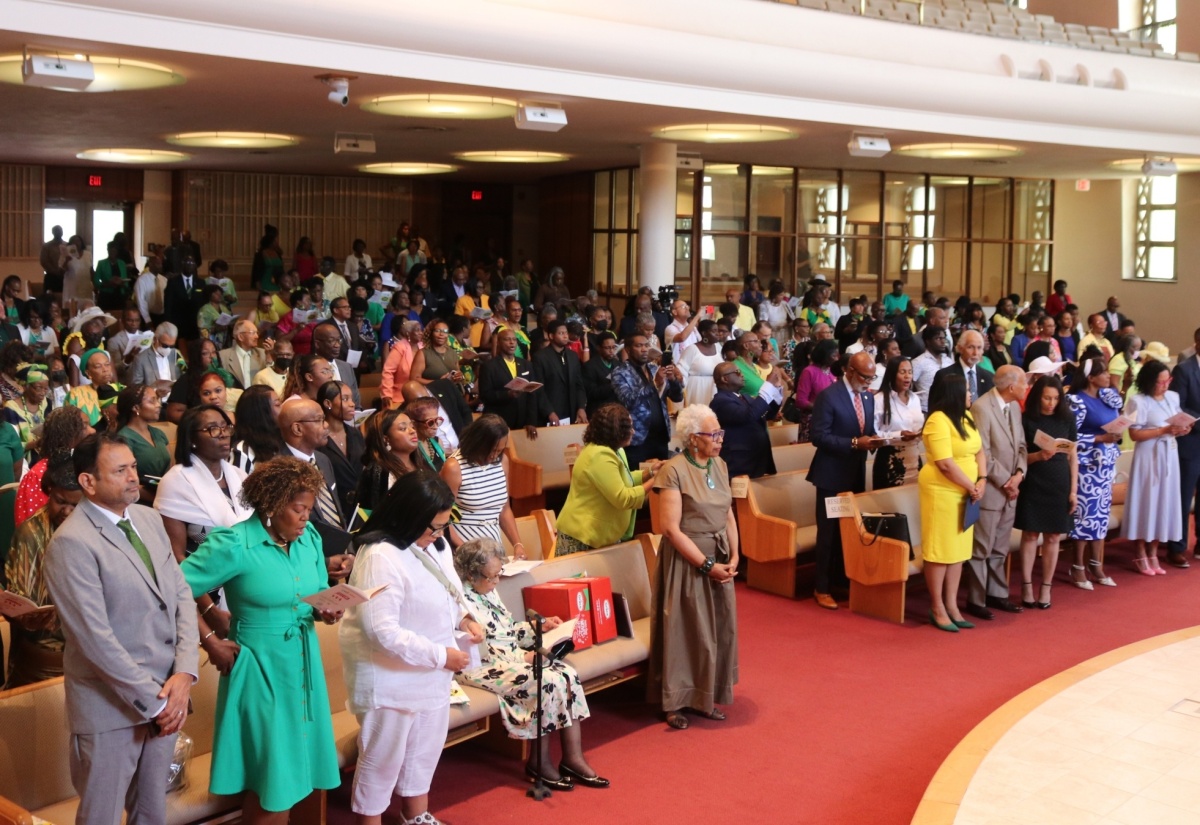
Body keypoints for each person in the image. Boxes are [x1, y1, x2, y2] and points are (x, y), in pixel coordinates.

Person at [44, 433, 199, 825]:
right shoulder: (71, 543)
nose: (133, 477)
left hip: (167, 694)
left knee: (152, 815)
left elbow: (180, 595)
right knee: (102, 817)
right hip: (110, 708)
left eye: (133, 467)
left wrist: (184, 673)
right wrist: (159, 702)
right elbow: (95, 641)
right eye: (120, 470)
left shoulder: (147, 518)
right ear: (88, 482)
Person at [180, 456, 343, 820]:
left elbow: (316, 594)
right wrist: (209, 638)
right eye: (299, 509)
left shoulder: (309, 539)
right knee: (272, 773)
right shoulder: (235, 544)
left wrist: (327, 610)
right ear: (271, 506)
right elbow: (172, 589)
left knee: (299, 765)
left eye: (310, 509)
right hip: (258, 666)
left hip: (303, 662)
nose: (306, 518)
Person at [339, 472, 483, 825]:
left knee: (424, 750)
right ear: (407, 516)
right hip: (389, 679)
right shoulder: (379, 556)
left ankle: (415, 816)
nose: (437, 535)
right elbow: (381, 631)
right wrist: (441, 656)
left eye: (443, 527)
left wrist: (465, 618)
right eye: (432, 527)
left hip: (430, 674)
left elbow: (450, 589)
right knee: (381, 758)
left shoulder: (433, 545)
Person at [453, 538, 607, 788]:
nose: (496, 582)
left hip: (506, 660)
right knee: (544, 678)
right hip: (477, 666)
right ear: (471, 574)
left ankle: (572, 758)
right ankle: (539, 762)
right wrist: (523, 657)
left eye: (498, 574)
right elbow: (480, 649)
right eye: (492, 576)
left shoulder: (488, 590)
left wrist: (539, 627)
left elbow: (508, 630)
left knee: (566, 672)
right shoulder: (460, 601)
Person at [648, 403, 738, 729]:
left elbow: (727, 511)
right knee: (685, 631)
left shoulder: (720, 464)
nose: (719, 439)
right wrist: (705, 565)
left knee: (716, 630)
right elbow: (670, 528)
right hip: (687, 561)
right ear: (692, 438)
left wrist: (736, 556)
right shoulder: (672, 470)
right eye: (713, 434)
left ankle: (706, 695)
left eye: (720, 433)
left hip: (719, 555)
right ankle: (675, 701)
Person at [807, 351, 882, 610]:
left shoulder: (867, 397)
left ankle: (842, 579)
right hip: (831, 474)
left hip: (855, 472)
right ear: (850, 370)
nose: (869, 383)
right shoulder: (829, 396)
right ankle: (822, 587)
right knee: (828, 534)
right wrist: (853, 443)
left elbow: (866, 430)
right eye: (865, 377)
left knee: (848, 532)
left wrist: (880, 439)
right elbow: (818, 436)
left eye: (872, 378)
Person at [3, 455, 83, 688]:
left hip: (89, 647)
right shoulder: (32, 533)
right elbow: (21, 603)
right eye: (60, 501)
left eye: (76, 505)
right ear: (49, 491)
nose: (67, 511)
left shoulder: (95, 528)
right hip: (45, 652)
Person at [919, 373, 986, 632]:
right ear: (955, 394)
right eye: (967, 391)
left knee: (957, 551)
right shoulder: (937, 421)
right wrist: (971, 486)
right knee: (939, 551)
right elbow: (945, 464)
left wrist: (982, 478)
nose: (971, 395)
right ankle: (937, 607)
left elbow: (980, 450)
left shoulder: (965, 417)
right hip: (942, 492)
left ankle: (952, 605)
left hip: (966, 492)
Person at [962, 366, 1029, 620]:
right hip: (991, 488)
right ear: (1011, 387)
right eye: (1024, 383)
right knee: (982, 546)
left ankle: (997, 593)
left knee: (1000, 546)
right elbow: (984, 454)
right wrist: (1007, 481)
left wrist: (1019, 475)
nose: (1026, 387)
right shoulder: (982, 407)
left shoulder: (1013, 407)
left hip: (1011, 489)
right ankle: (976, 599)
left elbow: (1022, 446)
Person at [554, 403, 659, 555]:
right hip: (581, 537)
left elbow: (625, 478)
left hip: (597, 535)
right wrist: (656, 480)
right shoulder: (599, 455)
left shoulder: (616, 450)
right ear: (617, 432)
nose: (633, 431)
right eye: (629, 428)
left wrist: (650, 472)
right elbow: (623, 498)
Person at [1013, 376, 1078, 609]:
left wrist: (1073, 490)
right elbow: (1018, 457)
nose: (1051, 403)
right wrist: (1039, 456)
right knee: (1030, 534)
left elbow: (1073, 456)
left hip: (1059, 482)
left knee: (1053, 536)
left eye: (1055, 398)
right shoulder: (1027, 419)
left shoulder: (1067, 418)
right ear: (1037, 396)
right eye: (1046, 397)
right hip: (1034, 480)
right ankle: (1027, 584)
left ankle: (1047, 586)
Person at [1124, 360, 1191, 575]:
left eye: (1168, 380)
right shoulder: (1139, 401)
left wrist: (1183, 428)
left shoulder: (1172, 397)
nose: (1165, 385)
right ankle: (1140, 551)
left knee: (1164, 501)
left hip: (1169, 453)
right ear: (1150, 381)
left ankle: (1154, 551)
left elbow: (1178, 421)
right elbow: (1134, 434)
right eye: (1161, 382)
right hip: (1148, 455)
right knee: (1148, 500)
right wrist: (1163, 431)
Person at [1067, 357, 1123, 587]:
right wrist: (1100, 437)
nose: (1108, 376)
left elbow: (1116, 420)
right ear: (1090, 377)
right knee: (1084, 518)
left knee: (1100, 518)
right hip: (1085, 468)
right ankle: (1077, 566)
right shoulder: (1076, 401)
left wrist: (1117, 432)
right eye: (1104, 372)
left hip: (1105, 465)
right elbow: (1070, 436)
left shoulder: (1107, 397)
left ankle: (1096, 565)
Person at [440, 414, 527, 557]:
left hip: (494, 545)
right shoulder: (454, 467)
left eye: (499, 450)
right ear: (478, 442)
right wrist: (465, 549)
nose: (495, 456)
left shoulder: (502, 461)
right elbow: (443, 516)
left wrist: (518, 544)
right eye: (492, 450)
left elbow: (504, 509)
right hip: (464, 546)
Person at [612, 333, 683, 468]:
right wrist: (654, 384)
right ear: (628, 349)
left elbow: (677, 397)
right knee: (639, 482)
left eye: (646, 345)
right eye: (639, 346)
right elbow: (628, 401)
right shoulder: (620, 372)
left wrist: (673, 380)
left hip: (660, 436)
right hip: (637, 439)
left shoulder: (654, 369)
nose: (644, 349)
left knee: (662, 481)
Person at [15, 405, 93, 525]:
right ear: (68, 435)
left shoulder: (85, 465)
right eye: (85, 426)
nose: (93, 431)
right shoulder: (38, 475)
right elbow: (29, 526)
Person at [709, 360, 782, 480]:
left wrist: (776, 389)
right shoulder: (720, 401)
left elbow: (766, 414)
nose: (742, 375)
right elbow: (749, 416)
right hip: (740, 462)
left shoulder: (745, 397)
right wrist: (767, 385)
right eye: (737, 372)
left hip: (757, 457)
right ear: (724, 379)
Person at [1169, 326, 1200, 569]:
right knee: (1183, 494)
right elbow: (1177, 405)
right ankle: (1177, 546)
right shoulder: (1184, 369)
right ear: (1197, 343)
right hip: (1191, 440)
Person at [478, 328, 544, 439]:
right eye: (507, 339)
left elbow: (532, 395)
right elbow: (485, 395)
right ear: (498, 342)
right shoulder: (489, 366)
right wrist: (508, 394)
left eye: (514, 339)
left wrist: (531, 421)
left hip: (522, 422)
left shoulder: (526, 364)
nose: (512, 342)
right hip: (499, 422)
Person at [871, 355, 923, 489]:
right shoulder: (879, 399)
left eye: (910, 372)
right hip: (891, 459)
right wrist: (898, 435)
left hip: (914, 458)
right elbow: (874, 434)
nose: (907, 376)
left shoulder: (915, 399)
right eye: (903, 372)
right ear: (892, 374)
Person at [315, 379, 365, 515]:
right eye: (345, 399)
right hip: (334, 510)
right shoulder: (318, 439)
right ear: (328, 404)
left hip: (361, 508)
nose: (352, 404)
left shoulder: (355, 433)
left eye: (352, 399)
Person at [357, 408, 420, 513]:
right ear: (386, 439)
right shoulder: (378, 472)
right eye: (403, 428)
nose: (413, 431)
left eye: (412, 426)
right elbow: (373, 515)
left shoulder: (419, 461)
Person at [115, 384, 170, 504]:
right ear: (136, 408)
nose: (158, 405)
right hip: (142, 501)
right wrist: (162, 501)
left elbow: (171, 467)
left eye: (157, 400)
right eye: (152, 401)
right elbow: (125, 481)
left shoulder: (158, 433)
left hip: (167, 495)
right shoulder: (123, 438)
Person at [532, 319, 588, 425]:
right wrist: (549, 412)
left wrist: (581, 407)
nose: (565, 336)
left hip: (571, 411)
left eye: (566, 333)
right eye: (561, 333)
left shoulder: (573, 356)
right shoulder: (540, 357)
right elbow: (539, 389)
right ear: (551, 336)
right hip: (551, 413)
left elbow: (579, 385)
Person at [230, 384, 286, 473]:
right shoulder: (242, 453)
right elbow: (239, 486)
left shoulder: (282, 441)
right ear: (262, 413)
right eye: (277, 404)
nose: (283, 409)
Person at [5, 362, 50, 462]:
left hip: (48, 458)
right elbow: (10, 444)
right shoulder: (11, 409)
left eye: (46, 389)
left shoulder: (47, 404)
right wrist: (34, 444)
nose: (43, 393)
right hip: (24, 462)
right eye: (38, 388)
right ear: (25, 387)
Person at [129, 321, 183, 390]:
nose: (169, 349)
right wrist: (154, 391)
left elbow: (184, 375)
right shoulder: (140, 359)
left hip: (175, 398)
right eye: (165, 345)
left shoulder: (175, 353)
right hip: (155, 399)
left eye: (172, 346)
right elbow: (136, 388)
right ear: (155, 339)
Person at [220, 318, 271, 390]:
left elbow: (271, 378)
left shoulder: (263, 353)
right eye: (253, 333)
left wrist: (269, 356)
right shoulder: (223, 356)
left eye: (257, 333)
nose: (257, 336)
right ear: (241, 337)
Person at [410, 319, 463, 386]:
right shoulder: (423, 353)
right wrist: (438, 383)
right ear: (431, 333)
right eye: (437, 331)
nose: (441, 334)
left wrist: (459, 376)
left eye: (445, 331)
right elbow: (414, 378)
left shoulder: (452, 353)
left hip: (451, 392)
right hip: (432, 392)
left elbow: (457, 372)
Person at [581, 331, 619, 415]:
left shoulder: (617, 364)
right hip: (599, 411)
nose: (611, 351)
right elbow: (591, 392)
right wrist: (613, 384)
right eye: (607, 348)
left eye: (613, 347)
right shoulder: (590, 366)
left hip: (616, 410)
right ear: (598, 348)